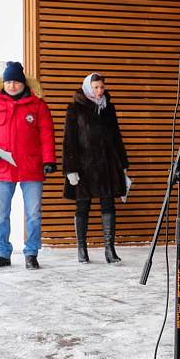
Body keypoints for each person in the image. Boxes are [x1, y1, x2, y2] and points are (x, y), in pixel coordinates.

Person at [0, 61, 57, 270]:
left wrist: (49, 159)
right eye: (8, 82)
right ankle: (2, 253)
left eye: (16, 82)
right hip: (2, 167)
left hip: (31, 166)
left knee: (33, 213)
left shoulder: (38, 105)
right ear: (3, 83)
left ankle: (31, 253)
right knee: (1, 213)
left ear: (24, 83)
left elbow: (46, 135)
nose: (12, 85)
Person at [62, 72, 129, 263]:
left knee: (108, 204)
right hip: (84, 166)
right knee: (83, 205)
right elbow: (69, 140)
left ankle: (109, 249)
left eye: (102, 87)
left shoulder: (108, 108)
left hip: (107, 164)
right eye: (96, 87)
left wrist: (123, 165)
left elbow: (116, 137)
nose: (100, 91)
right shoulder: (75, 108)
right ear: (87, 88)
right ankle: (81, 249)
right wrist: (70, 169)